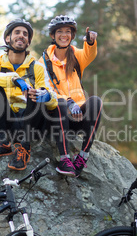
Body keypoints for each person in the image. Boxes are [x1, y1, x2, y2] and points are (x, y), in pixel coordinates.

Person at [0, 19, 59, 170]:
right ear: (7, 38)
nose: (21, 36)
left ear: (28, 41)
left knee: (36, 93)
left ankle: (24, 148)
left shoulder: (37, 67)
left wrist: (46, 96)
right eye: (17, 32)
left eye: (25, 34)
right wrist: (15, 79)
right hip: (10, 123)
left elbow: (53, 97)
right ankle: (3, 143)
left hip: (32, 124)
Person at [39, 15, 103, 177]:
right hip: (56, 118)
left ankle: (83, 156)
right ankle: (65, 158)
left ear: (72, 35)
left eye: (68, 31)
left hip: (77, 117)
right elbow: (46, 88)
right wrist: (68, 102)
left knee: (96, 101)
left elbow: (89, 55)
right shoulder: (43, 62)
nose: (64, 35)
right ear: (53, 35)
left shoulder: (75, 55)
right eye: (59, 31)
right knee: (59, 103)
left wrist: (90, 42)